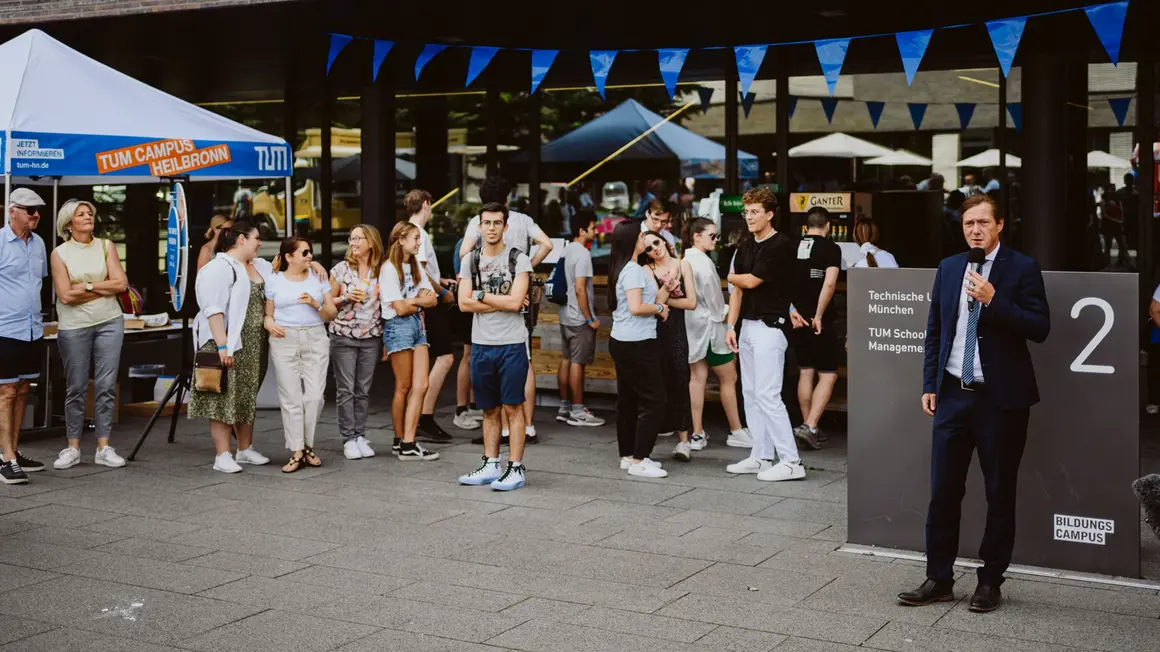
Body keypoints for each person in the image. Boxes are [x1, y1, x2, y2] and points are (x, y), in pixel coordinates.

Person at [899, 194, 1050, 613]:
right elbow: (935, 329)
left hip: (1000, 400)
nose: (976, 230)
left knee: (1000, 491)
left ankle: (989, 582)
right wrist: (930, 382)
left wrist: (993, 299)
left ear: (1000, 224)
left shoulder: (1022, 268)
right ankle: (939, 578)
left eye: (983, 222)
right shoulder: (949, 268)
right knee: (943, 490)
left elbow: (1040, 327)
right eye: (969, 223)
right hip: (952, 394)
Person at [461, 177, 552, 445]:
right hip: (518, 294)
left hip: (492, 299)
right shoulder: (522, 219)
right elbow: (547, 244)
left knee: (504, 361)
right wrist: (528, 268)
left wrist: (475, 287)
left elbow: (465, 252)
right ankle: (529, 424)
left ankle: (502, 429)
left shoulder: (477, 223)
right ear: (508, 198)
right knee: (525, 359)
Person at [724, 187, 804, 482]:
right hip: (747, 326)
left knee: (768, 395)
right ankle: (760, 456)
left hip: (772, 326)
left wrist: (731, 276)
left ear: (770, 214)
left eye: (755, 212)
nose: (749, 217)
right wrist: (731, 325)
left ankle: (791, 460)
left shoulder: (781, 245)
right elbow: (737, 290)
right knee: (751, 393)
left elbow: (751, 281)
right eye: (746, 212)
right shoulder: (745, 247)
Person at [457, 202, 533, 490]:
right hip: (481, 345)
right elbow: (464, 304)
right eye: (486, 223)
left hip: (512, 344)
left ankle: (515, 467)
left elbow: (517, 303)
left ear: (505, 226)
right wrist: (500, 301)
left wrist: (480, 295)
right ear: (479, 226)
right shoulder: (470, 260)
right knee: (488, 408)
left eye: (496, 223)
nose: (491, 228)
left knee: (513, 407)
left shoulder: (519, 259)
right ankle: (491, 464)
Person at [49, 199, 128, 470]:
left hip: (110, 321)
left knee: (106, 386)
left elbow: (122, 283)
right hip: (74, 326)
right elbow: (65, 296)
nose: (88, 217)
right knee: (76, 387)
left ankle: (103, 447)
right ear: (69, 223)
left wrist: (88, 285)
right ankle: (73, 447)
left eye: (90, 213)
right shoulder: (60, 253)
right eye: (81, 214)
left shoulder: (106, 245)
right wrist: (104, 288)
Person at [190, 221, 273, 473]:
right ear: (241, 239)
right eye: (256, 238)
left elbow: (284, 267)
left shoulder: (259, 266)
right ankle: (222, 455)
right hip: (227, 343)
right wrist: (222, 345)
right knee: (224, 397)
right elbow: (213, 309)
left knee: (245, 396)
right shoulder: (218, 267)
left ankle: (244, 449)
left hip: (254, 343)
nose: (260, 243)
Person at [263, 237, 337, 472]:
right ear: (289, 257)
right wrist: (269, 324)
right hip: (284, 338)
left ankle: (305, 445)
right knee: (290, 397)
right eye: (304, 252)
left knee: (315, 397)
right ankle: (298, 451)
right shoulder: (274, 280)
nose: (309, 255)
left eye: (310, 251)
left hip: (315, 336)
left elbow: (331, 313)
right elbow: (268, 314)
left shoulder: (319, 277)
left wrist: (315, 304)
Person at [683, 218, 750, 450]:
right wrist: (730, 312)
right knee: (729, 378)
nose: (716, 240)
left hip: (693, 327)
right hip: (712, 327)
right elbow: (715, 302)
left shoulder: (686, 259)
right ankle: (736, 430)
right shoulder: (703, 263)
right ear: (696, 236)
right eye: (712, 236)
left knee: (697, 379)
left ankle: (697, 433)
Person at [606, 222, 667, 477]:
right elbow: (636, 307)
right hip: (636, 343)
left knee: (629, 400)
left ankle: (629, 455)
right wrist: (660, 309)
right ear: (633, 240)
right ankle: (640, 459)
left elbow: (644, 302)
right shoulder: (632, 270)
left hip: (626, 340)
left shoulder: (626, 268)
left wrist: (665, 291)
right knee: (655, 400)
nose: (645, 238)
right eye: (642, 235)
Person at [0, 188, 50, 483]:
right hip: (5, 328)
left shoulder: (39, 243)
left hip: (32, 328)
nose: (35, 215)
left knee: (21, 389)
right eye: (29, 210)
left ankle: (14, 452)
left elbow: (37, 286)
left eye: (37, 210)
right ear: (12, 211)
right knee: (6, 392)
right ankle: (5, 458)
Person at [380, 221, 441, 462]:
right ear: (400, 240)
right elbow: (399, 308)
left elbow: (432, 300)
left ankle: (408, 440)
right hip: (398, 327)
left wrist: (413, 302)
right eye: (415, 238)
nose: (419, 242)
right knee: (403, 386)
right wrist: (418, 300)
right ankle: (402, 440)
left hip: (418, 327)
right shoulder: (388, 269)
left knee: (422, 385)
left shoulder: (415, 265)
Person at [403, 190, 457, 444]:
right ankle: (425, 415)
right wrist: (444, 291)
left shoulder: (408, 231)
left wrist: (440, 279)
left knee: (427, 359)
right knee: (445, 358)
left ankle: (418, 416)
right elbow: (421, 272)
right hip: (428, 302)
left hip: (419, 301)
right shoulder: (420, 234)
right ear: (426, 204)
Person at [329, 224, 384, 460]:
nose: (353, 243)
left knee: (363, 390)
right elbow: (328, 303)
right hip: (343, 336)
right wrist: (345, 297)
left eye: (358, 239)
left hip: (371, 337)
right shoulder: (341, 269)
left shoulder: (382, 270)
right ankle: (349, 438)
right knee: (346, 390)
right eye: (351, 238)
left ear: (371, 242)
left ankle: (360, 435)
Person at [790, 207, 842, 451]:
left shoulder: (793, 246)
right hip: (820, 320)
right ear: (828, 226)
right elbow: (829, 282)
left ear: (806, 227)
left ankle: (807, 425)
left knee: (806, 371)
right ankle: (810, 426)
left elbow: (782, 283)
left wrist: (792, 310)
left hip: (797, 319)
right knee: (829, 373)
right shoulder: (831, 248)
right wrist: (819, 315)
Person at [642, 229, 696, 461]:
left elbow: (692, 302)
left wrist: (665, 301)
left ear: (664, 240)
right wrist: (662, 299)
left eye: (656, 242)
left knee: (680, 380)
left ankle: (684, 441)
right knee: (655, 385)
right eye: (649, 247)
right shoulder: (647, 270)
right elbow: (653, 304)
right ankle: (647, 443)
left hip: (676, 331)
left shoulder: (683, 265)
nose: (655, 248)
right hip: (652, 332)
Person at [555, 210, 605, 427]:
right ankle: (577, 410)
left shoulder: (566, 250)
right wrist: (589, 318)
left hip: (565, 315)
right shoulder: (583, 254)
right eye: (593, 228)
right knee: (578, 363)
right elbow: (581, 289)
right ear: (582, 230)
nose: (595, 232)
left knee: (566, 359)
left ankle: (564, 407)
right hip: (578, 318)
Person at [450, 235, 483, 431]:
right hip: (469, 306)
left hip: (477, 305)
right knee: (468, 355)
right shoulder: (464, 244)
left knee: (475, 355)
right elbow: (461, 279)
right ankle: (461, 410)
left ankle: (473, 405)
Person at [1100, 183, 1128, 266]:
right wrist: (1116, 220)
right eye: (1112, 189)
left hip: (1117, 226)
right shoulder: (1103, 200)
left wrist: (1121, 220)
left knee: (1122, 245)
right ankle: (1106, 263)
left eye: (1114, 189)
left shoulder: (1117, 200)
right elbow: (1104, 214)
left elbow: (1122, 211)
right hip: (1108, 226)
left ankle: (1121, 261)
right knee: (1108, 245)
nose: (1113, 191)